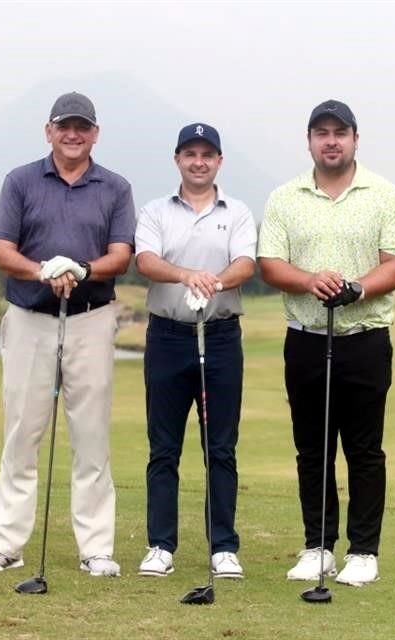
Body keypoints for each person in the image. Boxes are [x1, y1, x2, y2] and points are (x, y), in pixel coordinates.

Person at [0, 91, 136, 578]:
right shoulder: (20, 181)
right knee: (22, 430)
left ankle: (96, 547)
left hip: (90, 317)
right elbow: (2, 252)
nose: (73, 134)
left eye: (82, 127)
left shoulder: (115, 187)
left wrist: (81, 269)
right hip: (28, 317)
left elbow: (121, 256)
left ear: (95, 134)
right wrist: (44, 272)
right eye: (65, 126)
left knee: (91, 434)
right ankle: (7, 542)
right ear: (49, 130)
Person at [257, 99, 395, 587]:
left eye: (339, 133)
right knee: (312, 449)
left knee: (364, 449)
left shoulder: (385, 195)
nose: (331, 141)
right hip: (304, 338)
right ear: (309, 141)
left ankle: (363, 551)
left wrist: (358, 287)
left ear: (354, 139)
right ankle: (318, 546)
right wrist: (310, 281)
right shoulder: (285, 198)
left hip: (365, 339)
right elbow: (270, 264)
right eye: (321, 133)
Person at [134, 123, 257, 579]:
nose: (199, 161)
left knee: (220, 448)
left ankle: (223, 547)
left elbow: (245, 263)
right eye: (190, 153)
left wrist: (215, 281)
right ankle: (160, 545)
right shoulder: (155, 211)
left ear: (219, 161)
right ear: (177, 159)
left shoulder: (238, 212)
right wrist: (189, 275)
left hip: (221, 336)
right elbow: (146, 261)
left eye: (207, 154)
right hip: (167, 336)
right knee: (163, 447)